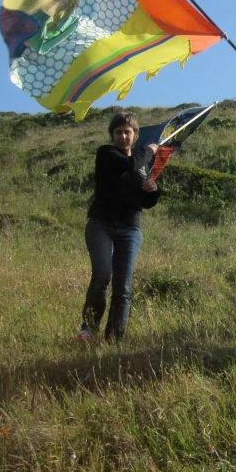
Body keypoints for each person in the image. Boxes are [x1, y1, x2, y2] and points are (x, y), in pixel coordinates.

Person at [77, 111, 159, 342]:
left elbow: (146, 203)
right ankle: (88, 329)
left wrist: (153, 190)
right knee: (103, 274)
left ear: (135, 135)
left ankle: (114, 339)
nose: (123, 136)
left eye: (127, 132)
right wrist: (149, 151)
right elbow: (130, 163)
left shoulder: (141, 167)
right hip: (101, 225)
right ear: (112, 135)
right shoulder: (107, 154)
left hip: (130, 229)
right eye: (118, 132)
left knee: (123, 287)